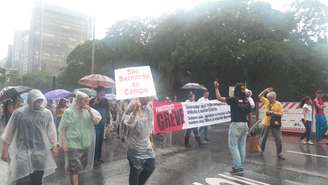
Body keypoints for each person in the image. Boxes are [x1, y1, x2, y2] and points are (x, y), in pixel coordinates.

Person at [1, 89, 59, 185]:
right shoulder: (19, 113)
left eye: (40, 100)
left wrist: (54, 146)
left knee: (37, 180)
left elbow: (52, 131)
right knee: (22, 179)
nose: (39, 103)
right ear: (30, 100)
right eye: (36, 100)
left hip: (40, 152)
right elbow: (9, 132)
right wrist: (5, 150)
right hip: (22, 152)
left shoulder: (46, 113)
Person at [59, 92, 101, 185]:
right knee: (74, 167)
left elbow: (96, 121)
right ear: (78, 100)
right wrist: (64, 143)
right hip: (73, 143)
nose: (87, 102)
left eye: (88, 100)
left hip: (86, 143)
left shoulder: (88, 110)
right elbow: (63, 128)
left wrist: (89, 109)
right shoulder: (68, 112)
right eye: (85, 101)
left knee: (81, 165)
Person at [214, 81, 251, 174]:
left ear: (236, 90)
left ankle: (237, 167)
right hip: (245, 124)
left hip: (236, 124)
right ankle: (239, 165)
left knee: (233, 146)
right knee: (241, 145)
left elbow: (219, 98)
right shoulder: (247, 101)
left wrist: (216, 88)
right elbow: (249, 113)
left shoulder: (234, 99)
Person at [123, 97, 156, 185]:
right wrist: (135, 110)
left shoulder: (149, 109)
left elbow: (150, 125)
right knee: (135, 171)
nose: (149, 98)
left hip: (146, 145)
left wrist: (151, 137)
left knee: (151, 167)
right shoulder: (132, 106)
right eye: (147, 96)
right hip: (135, 146)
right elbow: (129, 124)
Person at [258, 88, 285, 160]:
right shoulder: (267, 101)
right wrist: (265, 90)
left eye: (270, 98)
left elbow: (281, 114)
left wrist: (273, 113)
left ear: (274, 98)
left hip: (275, 124)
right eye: (268, 98)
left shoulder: (278, 104)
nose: (268, 99)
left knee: (278, 139)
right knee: (263, 138)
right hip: (266, 123)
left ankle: (279, 153)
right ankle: (261, 150)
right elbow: (260, 96)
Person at [90, 87, 111, 166]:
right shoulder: (92, 100)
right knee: (96, 141)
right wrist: (95, 103)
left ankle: (98, 158)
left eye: (104, 91)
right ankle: (94, 158)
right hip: (95, 124)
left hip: (103, 123)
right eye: (102, 91)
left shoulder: (105, 100)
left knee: (100, 141)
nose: (103, 92)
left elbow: (107, 111)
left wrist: (108, 121)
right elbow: (90, 111)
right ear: (98, 92)